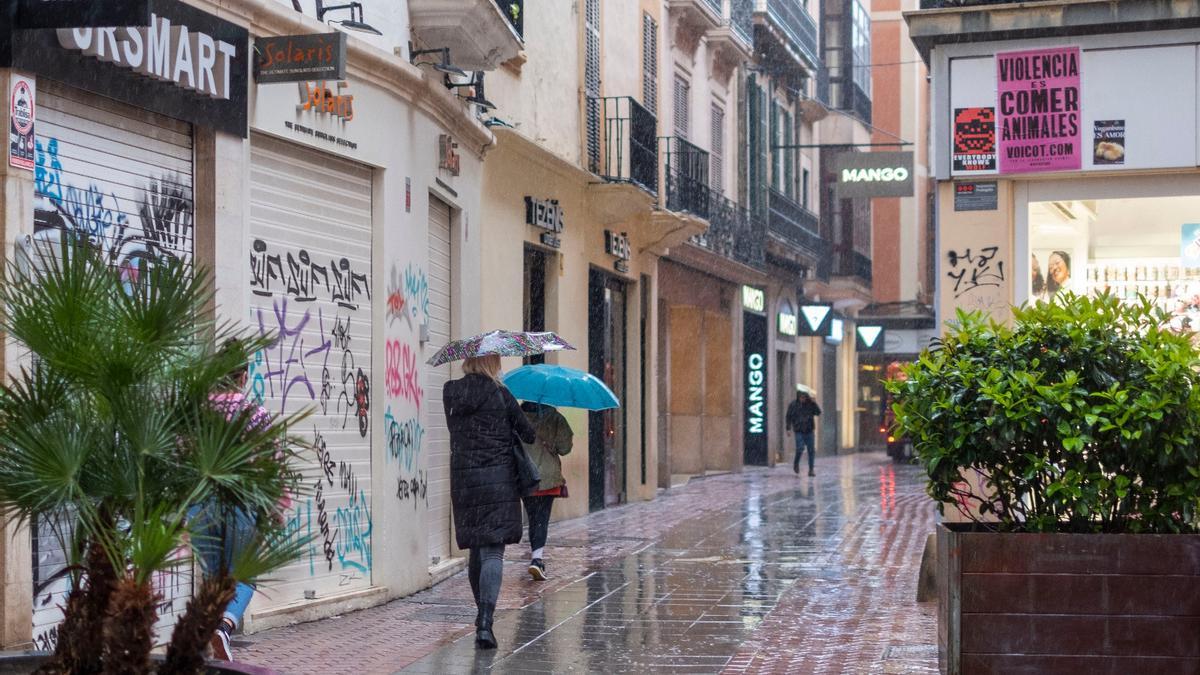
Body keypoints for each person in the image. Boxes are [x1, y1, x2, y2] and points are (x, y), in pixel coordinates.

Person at [444, 354, 537, 650]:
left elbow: (454, 431)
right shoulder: (502, 394)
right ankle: (485, 621)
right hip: (499, 480)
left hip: (466, 481)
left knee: (476, 549)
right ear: (492, 365)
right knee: (493, 553)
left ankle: (481, 617)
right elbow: (529, 435)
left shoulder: (451, 392)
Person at [199, 339, 281, 661]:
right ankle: (224, 627)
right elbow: (271, 462)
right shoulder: (254, 414)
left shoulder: (200, 414)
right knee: (243, 574)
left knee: (213, 573)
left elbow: (182, 452)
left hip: (203, 503)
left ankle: (207, 632)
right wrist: (275, 505)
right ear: (244, 377)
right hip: (241, 504)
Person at [519, 401, 572, 581]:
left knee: (532, 516)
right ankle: (537, 558)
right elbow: (565, 448)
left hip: (525, 473)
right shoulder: (556, 418)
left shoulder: (517, 415)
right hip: (548, 476)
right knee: (541, 519)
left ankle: (533, 553)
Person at [785, 388, 821, 477]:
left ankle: (811, 469)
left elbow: (818, 412)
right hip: (799, 431)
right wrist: (788, 428)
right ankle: (796, 463)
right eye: (801, 397)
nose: (803, 399)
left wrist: (814, 403)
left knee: (811, 450)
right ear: (798, 397)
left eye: (804, 397)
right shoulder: (793, 405)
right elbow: (788, 417)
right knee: (800, 448)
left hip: (809, 430)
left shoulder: (810, 404)